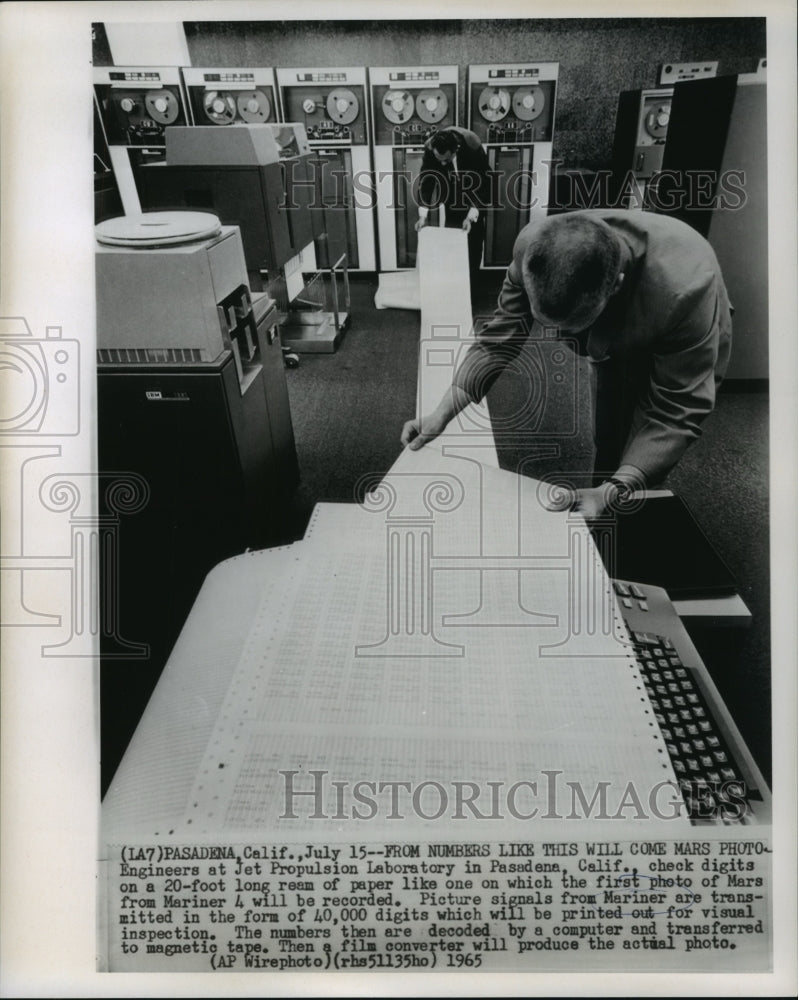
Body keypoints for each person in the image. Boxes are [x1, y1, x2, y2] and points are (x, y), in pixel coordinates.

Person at [401, 208, 733, 519]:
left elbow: (676, 412)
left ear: (614, 286)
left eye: (567, 328)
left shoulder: (685, 292)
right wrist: (441, 414)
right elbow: (498, 339)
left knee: (647, 443)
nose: (556, 338)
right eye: (543, 322)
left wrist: (618, 488)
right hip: (610, 328)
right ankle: (603, 494)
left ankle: (622, 504)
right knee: (608, 433)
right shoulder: (532, 247)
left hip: (673, 320)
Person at [415, 125, 492, 283]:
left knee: (473, 241)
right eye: (439, 160)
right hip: (451, 192)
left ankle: (470, 288)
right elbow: (427, 181)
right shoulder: (431, 149)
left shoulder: (473, 147)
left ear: (455, 150)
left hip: (474, 191)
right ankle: (454, 286)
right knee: (452, 238)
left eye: (447, 160)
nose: (442, 164)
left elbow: (485, 183)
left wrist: (470, 217)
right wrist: (423, 215)